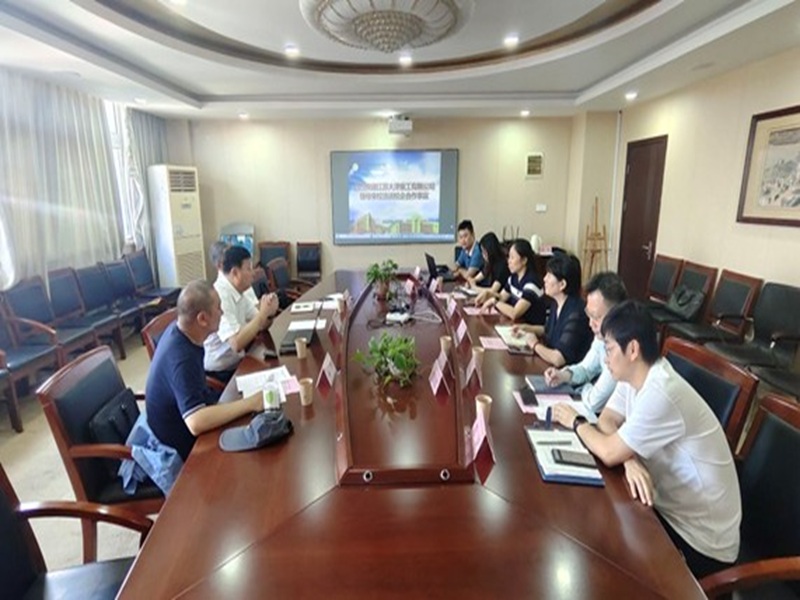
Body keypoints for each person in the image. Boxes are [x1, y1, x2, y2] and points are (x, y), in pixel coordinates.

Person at [551, 301, 741, 579]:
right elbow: (607, 421)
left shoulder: (660, 390)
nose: (605, 359)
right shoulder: (634, 375)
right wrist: (629, 458)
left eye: (609, 349)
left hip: (701, 541)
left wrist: (576, 421)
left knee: (604, 555)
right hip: (664, 506)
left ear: (632, 350)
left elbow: (608, 451)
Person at [146, 280, 263, 461]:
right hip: (184, 447)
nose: (222, 312)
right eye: (218, 308)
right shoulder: (181, 358)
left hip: (199, 410)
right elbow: (196, 422)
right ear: (202, 319)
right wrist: (251, 403)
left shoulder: (184, 332)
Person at [542, 271, 627, 413]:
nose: (590, 324)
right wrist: (563, 375)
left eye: (596, 317)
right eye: (589, 315)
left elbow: (594, 402)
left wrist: (583, 387)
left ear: (617, 315)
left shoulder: (622, 348)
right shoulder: (601, 337)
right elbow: (587, 369)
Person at [204, 246, 279, 382]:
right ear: (235, 273)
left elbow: (261, 324)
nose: (253, 273)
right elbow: (236, 344)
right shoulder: (221, 296)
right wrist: (262, 315)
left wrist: (269, 312)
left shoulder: (238, 290)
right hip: (221, 373)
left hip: (238, 362)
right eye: (248, 269)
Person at [514, 253, 592, 367]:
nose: (544, 279)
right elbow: (548, 330)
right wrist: (526, 328)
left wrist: (534, 344)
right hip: (553, 369)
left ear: (562, 284)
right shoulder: (556, 303)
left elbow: (559, 358)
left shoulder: (576, 313)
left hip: (568, 373)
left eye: (549, 276)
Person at [477, 238, 546, 324]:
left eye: (512, 257)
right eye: (508, 257)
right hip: (516, 325)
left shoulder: (532, 283)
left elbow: (514, 313)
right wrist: (489, 294)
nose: (508, 261)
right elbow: (502, 297)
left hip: (530, 328)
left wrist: (494, 302)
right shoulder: (513, 278)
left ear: (524, 260)